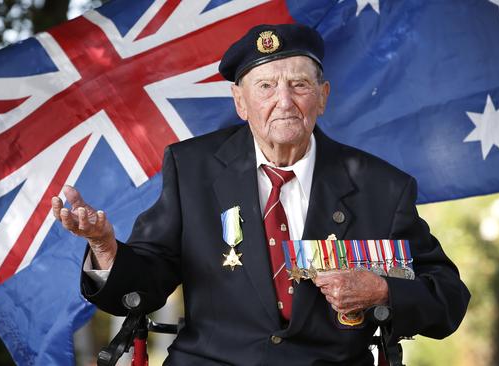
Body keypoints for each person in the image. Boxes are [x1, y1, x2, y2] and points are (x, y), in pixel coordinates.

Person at [52, 23, 470, 365]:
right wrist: (105, 248)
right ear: (241, 101)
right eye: (266, 86)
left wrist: (382, 291)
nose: (284, 101)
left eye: (299, 85)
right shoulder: (191, 168)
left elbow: (448, 295)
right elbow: (148, 280)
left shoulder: (382, 187)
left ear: (322, 97)